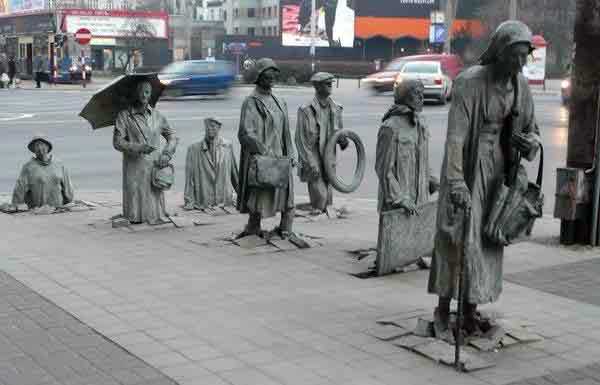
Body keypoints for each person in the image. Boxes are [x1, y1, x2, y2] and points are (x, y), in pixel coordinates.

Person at [427, 20, 541, 340]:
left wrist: (530, 143)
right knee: (458, 239)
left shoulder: (520, 86)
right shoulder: (469, 83)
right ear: (499, 52)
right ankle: (442, 307)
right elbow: (455, 138)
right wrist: (456, 182)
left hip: (498, 174)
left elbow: (533, 131)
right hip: (467, 166)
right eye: (514, 56)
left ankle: (469, 309)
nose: (520, 64)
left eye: (524, 57)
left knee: (487, 242)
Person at [237, 58, 295, 238]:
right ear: (259, 76)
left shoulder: (279, 101)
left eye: (273, 76)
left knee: (287, 193)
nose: (271, 79)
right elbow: (246, 133)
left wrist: (290, 154)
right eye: (267, 76)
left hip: (280, 157)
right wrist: (264, 152)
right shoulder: (251, 102)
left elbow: (286, 130)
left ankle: (286, 227)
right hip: (263, 158)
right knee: (259, 192)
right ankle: (253, 226)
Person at [113, 80, 178, 225]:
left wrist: (167, 153)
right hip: (134, 166)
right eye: (141, 91)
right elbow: (117, 142)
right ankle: (135, 217)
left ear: (150, 95)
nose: (144, 94)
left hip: (154, 166)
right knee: (136, 206)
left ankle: (154, 215)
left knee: (153, 205)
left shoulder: (158, 116)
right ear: (135, 93)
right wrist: (138, 147)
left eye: (147, 92)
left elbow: (172, 136)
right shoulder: (124, 116)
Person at [375, 79, 438, 215]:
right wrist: (399, 198)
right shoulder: (390, 127)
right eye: (417, 94)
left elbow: (423, 159)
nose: (422, 98)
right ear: (405, 97)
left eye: (423, 94)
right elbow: (383, 169)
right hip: (398, 206)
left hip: (419, 201)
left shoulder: (421, 124)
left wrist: (432, 181)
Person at [296, 72, 347, 214]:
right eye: (326, 82)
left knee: (328, 202)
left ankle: (311, 211)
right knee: (321, 200)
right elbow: (300, 139)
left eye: (331, 82)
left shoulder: (337, 109)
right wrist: (310, 161)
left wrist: (343, 141)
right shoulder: (306, 110)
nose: (330, 84)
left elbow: (341, 135)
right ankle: (308, 210)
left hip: (329, 159)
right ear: (317, 86)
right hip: (313, 158)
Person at [184, 117, 239, 210]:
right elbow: (189, 179)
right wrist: (189, 201)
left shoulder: (227, 146)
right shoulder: (194, 149)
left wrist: (242, 197)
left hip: (225, 199)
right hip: (204, 201)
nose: (210, 129)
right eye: (207, 127)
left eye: (213, 127)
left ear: (219, 128)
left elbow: (234, 174)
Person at [12, 136, 74, 209]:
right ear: (33, 149)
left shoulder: (59, 165)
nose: (40, 148)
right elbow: (20, 189)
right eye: (36, 145)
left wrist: (69, 203)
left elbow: (68, 188)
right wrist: (15, 205)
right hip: (39, 210)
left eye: (42, 144)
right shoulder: (28, 167)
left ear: (48, 147)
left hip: (58, 209)